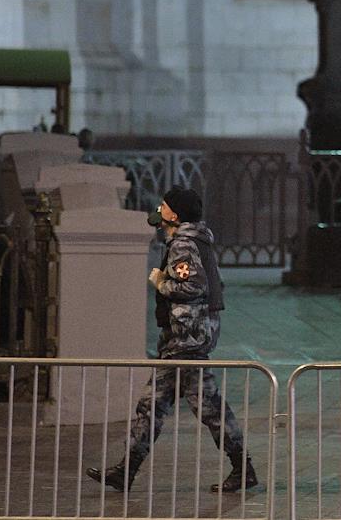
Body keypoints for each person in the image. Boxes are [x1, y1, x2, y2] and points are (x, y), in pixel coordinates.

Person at [87, 187, 257, 493]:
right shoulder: (193, 240)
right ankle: (126, 470)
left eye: (164, 205)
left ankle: (243, 468)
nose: (159, 207)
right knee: (153, 405)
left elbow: (194, 287)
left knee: (205, 407)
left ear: (174, 215)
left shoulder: (183, 244)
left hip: (187, 340)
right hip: (183, 338)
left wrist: (161, 282)